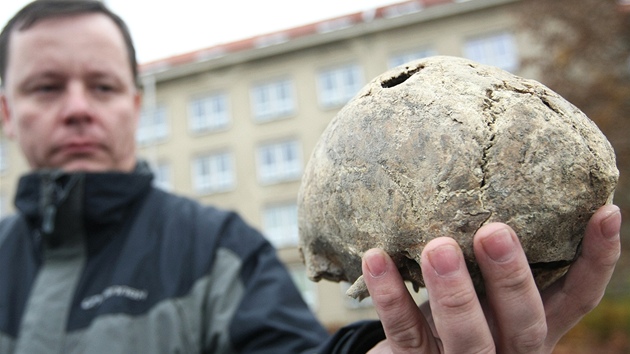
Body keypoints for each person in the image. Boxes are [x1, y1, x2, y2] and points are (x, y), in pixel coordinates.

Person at [0, 1, 621, 353]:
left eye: (103, 86)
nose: (77, 106)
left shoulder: (217, 250)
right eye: (46, 87)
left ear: (134, 105)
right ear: (6, 111)